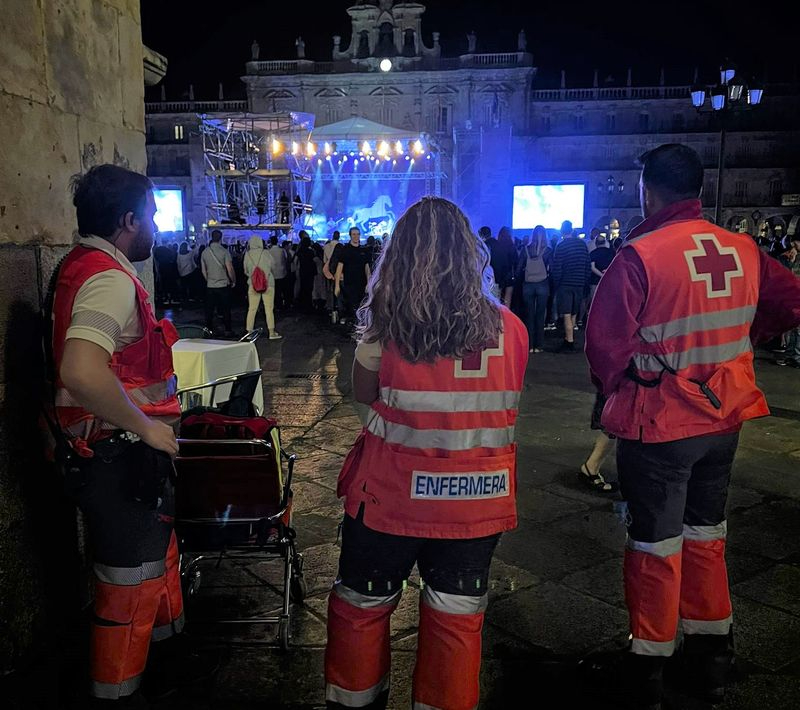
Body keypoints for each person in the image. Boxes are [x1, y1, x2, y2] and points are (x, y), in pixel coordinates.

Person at [585, 144, 800, 709]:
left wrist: (621, 388)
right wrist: (746, 344)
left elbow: (604, 346)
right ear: (699, 190)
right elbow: (790, 302)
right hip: (723, 420)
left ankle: (648, 669)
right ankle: (712, 657)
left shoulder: (640, 256)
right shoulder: (743, 249)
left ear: (645, 189)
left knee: (654, 543)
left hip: (660, 423)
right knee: (707, 535)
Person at [325, 197, 528, 710]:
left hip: (391, 498)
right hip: (478, 501)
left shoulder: (385, 328)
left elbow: (363, 396)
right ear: (470, 254)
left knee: (362, 610)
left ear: (401, 255)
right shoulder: (514, 331)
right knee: (458, 622)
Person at [51, 164, 215, 707]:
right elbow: (80, 370)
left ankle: (167, 656)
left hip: (120, 456)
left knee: (152, 563)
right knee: (127, 584)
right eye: (151, 215)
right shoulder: (109, 281)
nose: (156, 225)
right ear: (127, 220)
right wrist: (146, 426)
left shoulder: (84, 266)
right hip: (117, 458)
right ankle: (119, 691)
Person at [551, 220, 590, 353]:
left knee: (566, 314)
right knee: (573, 312)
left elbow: (557, 268)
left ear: (562, 231)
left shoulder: (561, 246)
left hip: (565, 284)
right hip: (579, 283)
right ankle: (571, 337)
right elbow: (587, 264)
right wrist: (585, 281)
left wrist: (556, 283)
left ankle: (569, 342)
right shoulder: (582, 244)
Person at [519, 225, 552, 353]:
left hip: (528, 284)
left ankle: (530, 345)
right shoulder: (548, 250)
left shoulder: (526, 249)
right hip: (543, 283)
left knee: (529, 315)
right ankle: (539, 345)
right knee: (540, 315)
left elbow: (519, 267)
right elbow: (552, 268)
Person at [243, 235, 281, 340]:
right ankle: (271, 332)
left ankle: (249, 332)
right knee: (269, 309)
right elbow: (273, 266)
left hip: (253, 284)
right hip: (268, 283)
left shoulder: (247, 254)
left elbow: (245, 270)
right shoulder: (266, 253)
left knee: (252, 309)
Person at [201, 229, 235, 337]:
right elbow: (229, 269)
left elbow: (203, 270)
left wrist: (209, 280)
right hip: (223, 285)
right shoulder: (224, 251)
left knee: (209, 310)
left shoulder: (205, 252)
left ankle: (209, 330)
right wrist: (233, 280)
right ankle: (228, 330)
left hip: (210, 285)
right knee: (225, 309)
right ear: (221, 238)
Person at [335, 227, 371, 326]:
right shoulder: (345, 250)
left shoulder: (364, 250)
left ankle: (359, 327)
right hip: (349, 284)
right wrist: (337, 285)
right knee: (352, 306)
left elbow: (367, 268)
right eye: (354, 234)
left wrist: (369, 282)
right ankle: (353, 327)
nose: (356, 236)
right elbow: (339, 268)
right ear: (350, 235)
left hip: (362, 283)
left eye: (358, 234)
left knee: (362, 306)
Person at [494, 226, 517, 307]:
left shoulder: (496, 246)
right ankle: (506, 315)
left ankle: (497, 315)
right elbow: (515, 261)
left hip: (498, 273)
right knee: (508, 296)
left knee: (497, 296)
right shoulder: (512, 246)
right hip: (509, 273)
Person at [589, 233, 614, 302]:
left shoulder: (593, 253)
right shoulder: (611, 252)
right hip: (609, 280)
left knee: (595, 301)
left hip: (595, 281)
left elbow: (592, 267)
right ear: (605, 242)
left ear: (596, 243)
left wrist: (601, 275)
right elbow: (614, 265)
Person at [297, 231, 318, 311]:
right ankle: (308, 305)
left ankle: (302, 305)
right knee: (309, 289)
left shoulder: (300, 251)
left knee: (303, 288)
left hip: (303, 271)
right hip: (309, 272)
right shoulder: (310, 252)